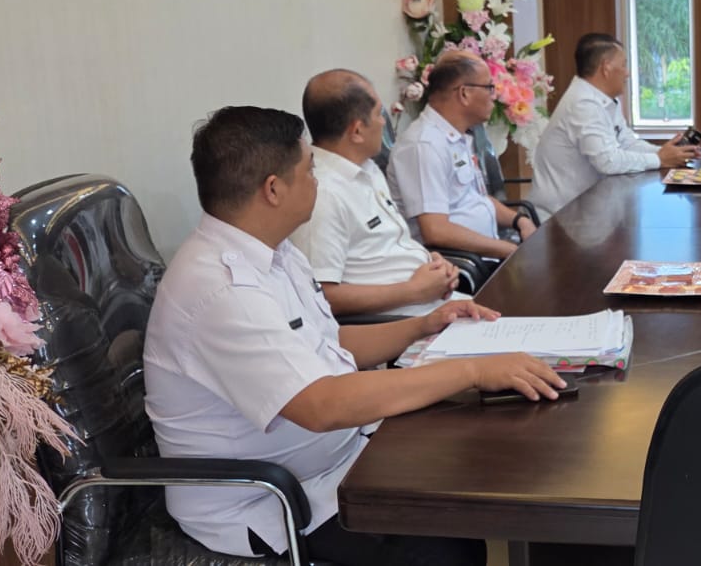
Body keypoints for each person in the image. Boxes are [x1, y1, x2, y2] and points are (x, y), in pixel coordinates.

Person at [144, 105, 566, 564]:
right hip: (272, 502)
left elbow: (329, 343)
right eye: (310, 170)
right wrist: (471, 371)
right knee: (443, 549)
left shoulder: (275, 254)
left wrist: (424, 325)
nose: (318, 181)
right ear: (273, 189)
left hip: (337, 462)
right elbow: (322, 405)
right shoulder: (221, 291)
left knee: (463, 483)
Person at [291, 69, 466, 318]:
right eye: (378, 114)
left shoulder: (367, 168)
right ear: (357, 131)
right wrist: (414, 290)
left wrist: (432, 263)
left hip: (428, 304)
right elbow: (321, 296)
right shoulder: (323, 194)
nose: (384, 123)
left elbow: (386, 247)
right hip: (401, 322)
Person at [530, 33, 701, 217]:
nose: (627, 73)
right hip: (561, 218)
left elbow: (627, 143)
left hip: (589, 211)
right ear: (606, 68)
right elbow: (608, 162)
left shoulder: (604, 100)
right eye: (624, 65)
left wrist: (667, 153)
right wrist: (659, 159)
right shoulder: (583, 103)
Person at [389, 52, 536, 260]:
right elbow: (435, 230)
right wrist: (510, 251)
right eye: (489, 87)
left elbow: (477, 199)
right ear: (464, 93)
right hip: (462, 265)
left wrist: (519, 220)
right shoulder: (424, 145)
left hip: (486, 254)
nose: (494, 96)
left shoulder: (456, 136)